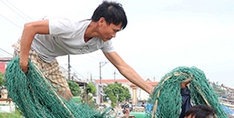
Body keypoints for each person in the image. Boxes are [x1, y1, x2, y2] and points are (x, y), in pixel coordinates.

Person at [16, 1, 153, 99]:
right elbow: (30, 28)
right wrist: (23, 60)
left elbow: (123, 67)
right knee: (40, 92)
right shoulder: (71, 25)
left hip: (49, 59)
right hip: (31, 49)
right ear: (101, 22)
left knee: (66, 98)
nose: (114, 35)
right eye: (114, 30)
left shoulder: (103, 41)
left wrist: (150, 90)